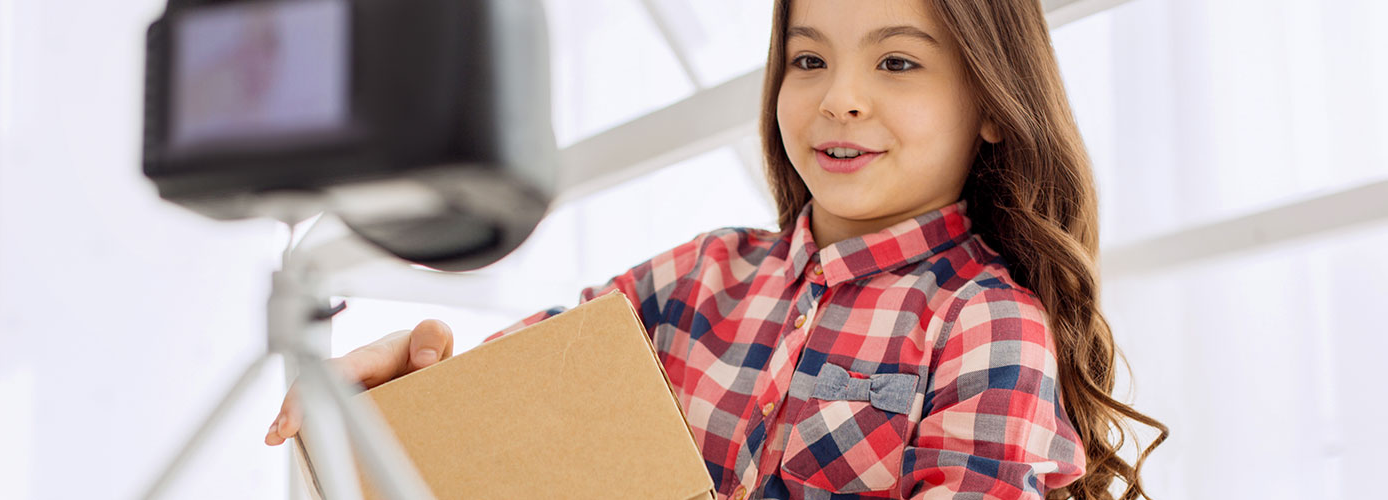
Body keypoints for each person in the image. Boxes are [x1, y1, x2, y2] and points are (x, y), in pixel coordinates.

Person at [264, 0, 1166, 498]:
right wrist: (411, 384)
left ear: (996, 107)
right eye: (808, 60)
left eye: (896, 62)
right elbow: (504, 429)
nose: (838, 98)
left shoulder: (987, 322)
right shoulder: (696, 277)